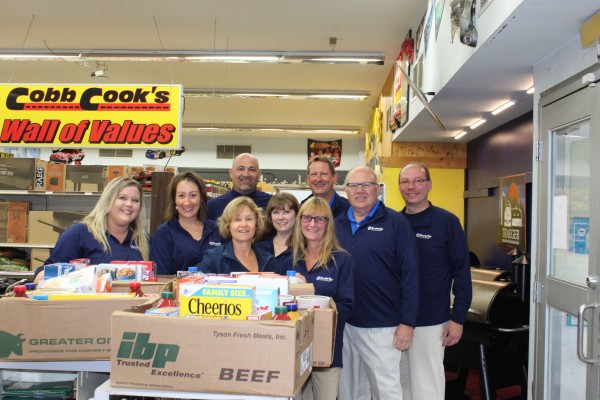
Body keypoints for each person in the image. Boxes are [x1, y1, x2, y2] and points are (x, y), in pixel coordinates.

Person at [334, 166, 420, 400]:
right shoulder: (336, 224)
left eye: (366, 185)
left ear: (377, 189)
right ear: (345, 190)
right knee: (350, 392)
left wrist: (407, 322)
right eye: (353, 186)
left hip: (382, 326)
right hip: (346, 324)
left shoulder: (396, 223)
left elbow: (411, 275)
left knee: (386, 391)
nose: (360, 191)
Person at [398, 163, 472, 400]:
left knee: (427, 387)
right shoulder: (394, 223)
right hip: (394, 321)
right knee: (400, 386)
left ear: (429, 184)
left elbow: (462, 271)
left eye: (418, 181)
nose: (411, 187)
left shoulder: (447, 222)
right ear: (399, 186)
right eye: (405, 181)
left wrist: (458, 318)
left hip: (430, 322)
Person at [292, 197, 354, 400]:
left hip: (327, 352)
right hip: (293, 350)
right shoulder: (290, 259)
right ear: (300, 221)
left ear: (328, 224)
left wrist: (319, 308)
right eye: (307, 218)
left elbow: (347, 306)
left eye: (319, 219)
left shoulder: (341, 260)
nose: (312, 224)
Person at [33, 177, 150, 282]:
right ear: (108, 201)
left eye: (135, 200)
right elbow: (41, 278)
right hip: (89, 305)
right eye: (122, 198)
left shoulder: (144, 240)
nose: (129, 204)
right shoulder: (79, 233)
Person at [150, 171, 223, 275]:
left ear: (201, 198)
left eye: (193, 195)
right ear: (174, 199)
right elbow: (161, 278)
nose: (187, 202)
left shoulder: (218, 230)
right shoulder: (164, 234)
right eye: (181, 196)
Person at [197, 196, 282, 274]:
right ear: (228, 225)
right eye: (237, 219)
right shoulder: (213, 259)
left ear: (256, 224)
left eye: (249, 219)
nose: (244, 224)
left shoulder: (268, 260)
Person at [206, 153, 272, 220]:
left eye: (252, 169)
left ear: (259, 174)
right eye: (241, 169)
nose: (246, 174)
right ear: (231, 173)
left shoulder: (272, 204)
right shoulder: (212, 207)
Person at [255, 192, 299, 273]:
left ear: (296, 215)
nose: (281, 217)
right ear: (270, 217)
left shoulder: (303, 248)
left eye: (286, 212)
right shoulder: (258, 246)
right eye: (276, 212)